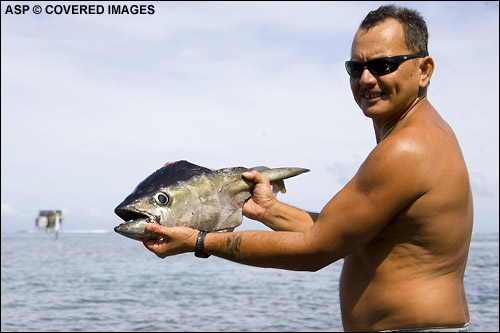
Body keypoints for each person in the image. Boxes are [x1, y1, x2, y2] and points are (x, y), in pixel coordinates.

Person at [143, 5, 473, 332]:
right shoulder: (420, 138)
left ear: (425, 70)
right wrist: (265, 209)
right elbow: (333, 234)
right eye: (356, 68)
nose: (367, 79)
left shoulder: (407, 148)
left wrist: (197, 241)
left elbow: (314, 252)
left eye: (383, 65)